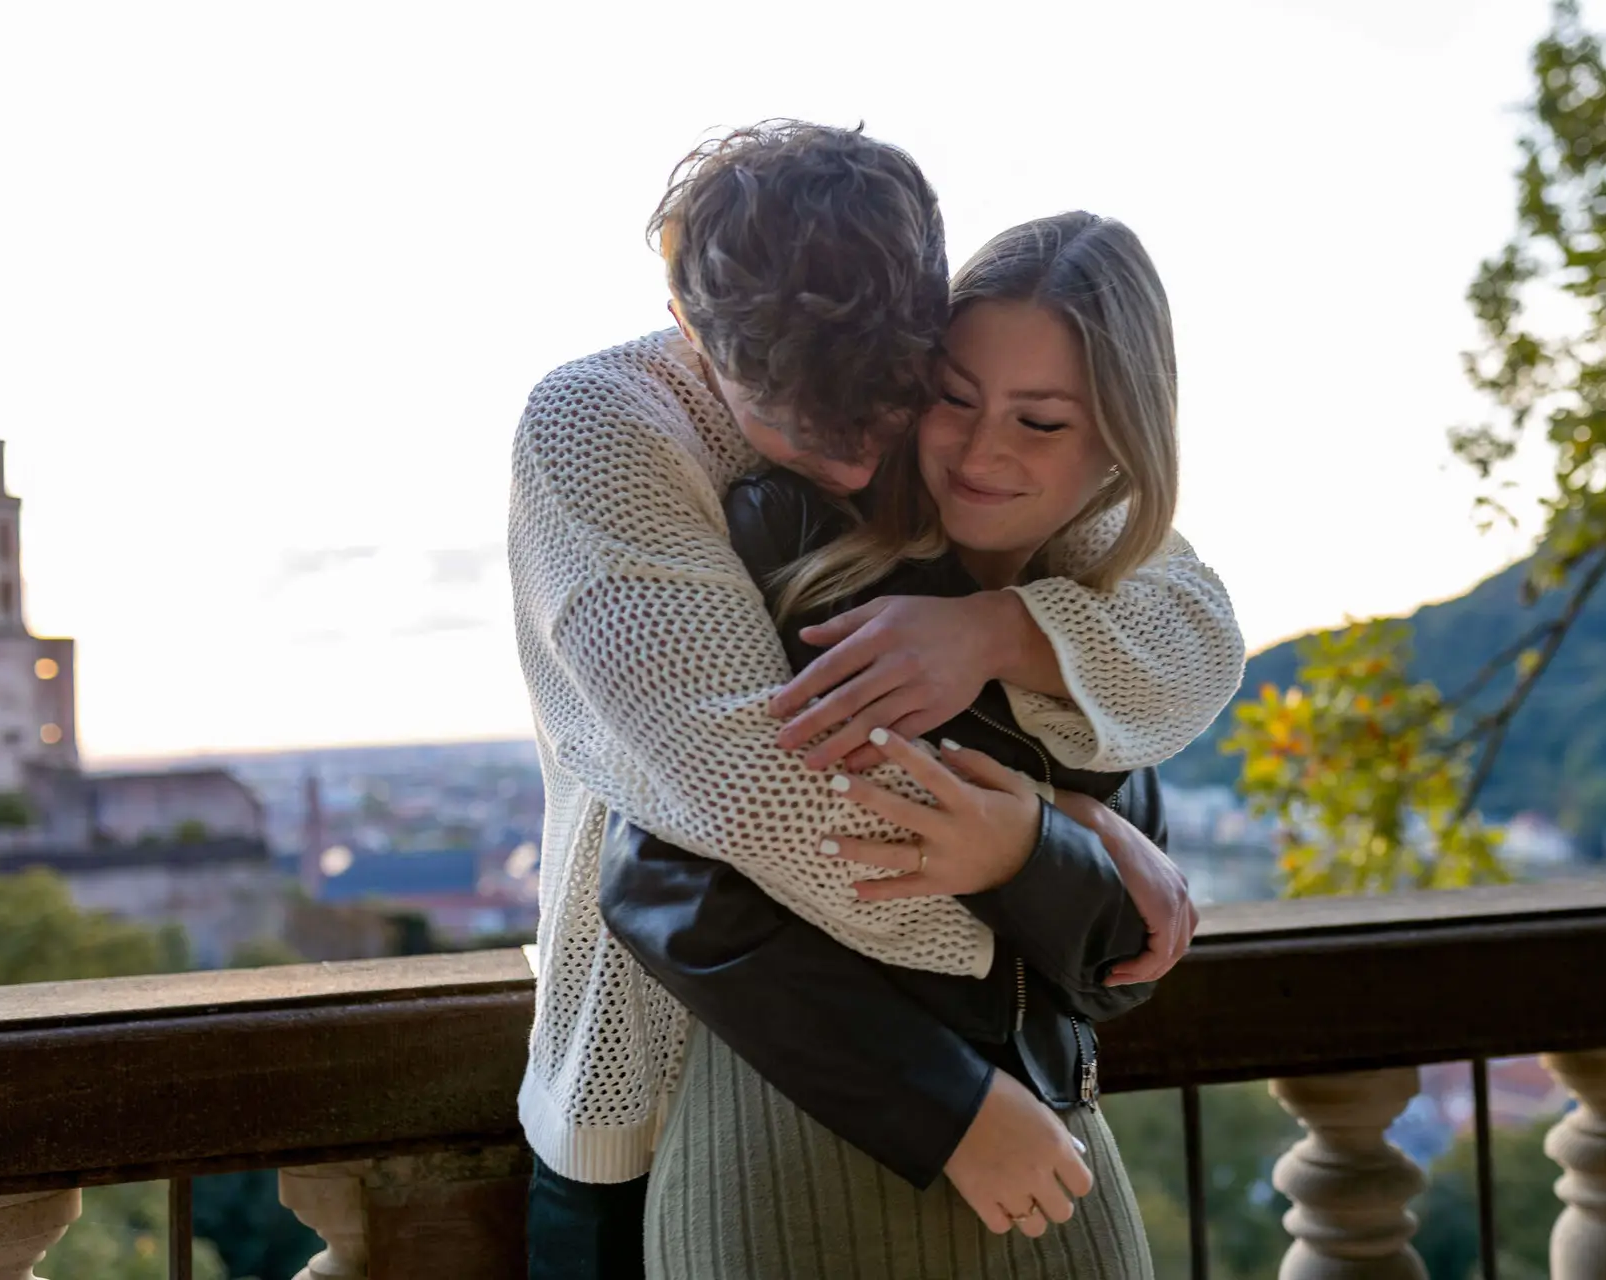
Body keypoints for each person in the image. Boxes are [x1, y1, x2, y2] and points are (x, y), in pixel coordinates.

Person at [508, 123, 1245, 1279]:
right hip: (651, 1078)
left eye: (891, 405)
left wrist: (1002, 635)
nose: (856, 462)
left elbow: (1193, 629)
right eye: (797, 426)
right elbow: (744, 808)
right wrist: (1061, 870)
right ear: (689, 323)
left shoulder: (959, 432)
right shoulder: (609, 431)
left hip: (982, 1108)